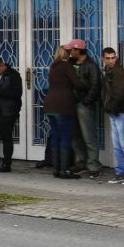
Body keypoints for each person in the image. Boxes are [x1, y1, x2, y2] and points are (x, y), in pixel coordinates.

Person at [43, 45, 83, 179]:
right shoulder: (66, 66)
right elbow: (77, 84)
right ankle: (64, 170)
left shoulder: (53, 67)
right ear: (67, 54)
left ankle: (56, 168)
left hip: (50, 105)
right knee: (66, 136)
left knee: (55, 136)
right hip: (63, 105)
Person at [101, 46, 124, 184]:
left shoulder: (118, 72)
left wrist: (111, 108)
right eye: (108, 58)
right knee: (118, 145)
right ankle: (121, 172)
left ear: (116, 57)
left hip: (122, 111)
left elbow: (119, 94)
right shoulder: (109, 71)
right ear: (103, 59)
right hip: (116, 111)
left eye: (113, 58)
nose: (111, 61)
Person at [67, 40, 103, 178]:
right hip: (72, 103)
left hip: (85, 104)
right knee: (75, 135)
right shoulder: (70, 63)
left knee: (89, 136)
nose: (70, 52)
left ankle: (93, 165)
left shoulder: (91, 65)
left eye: (72, 50)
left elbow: (95, 85)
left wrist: (87, 101)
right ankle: (81, 162)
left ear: (78, 50)